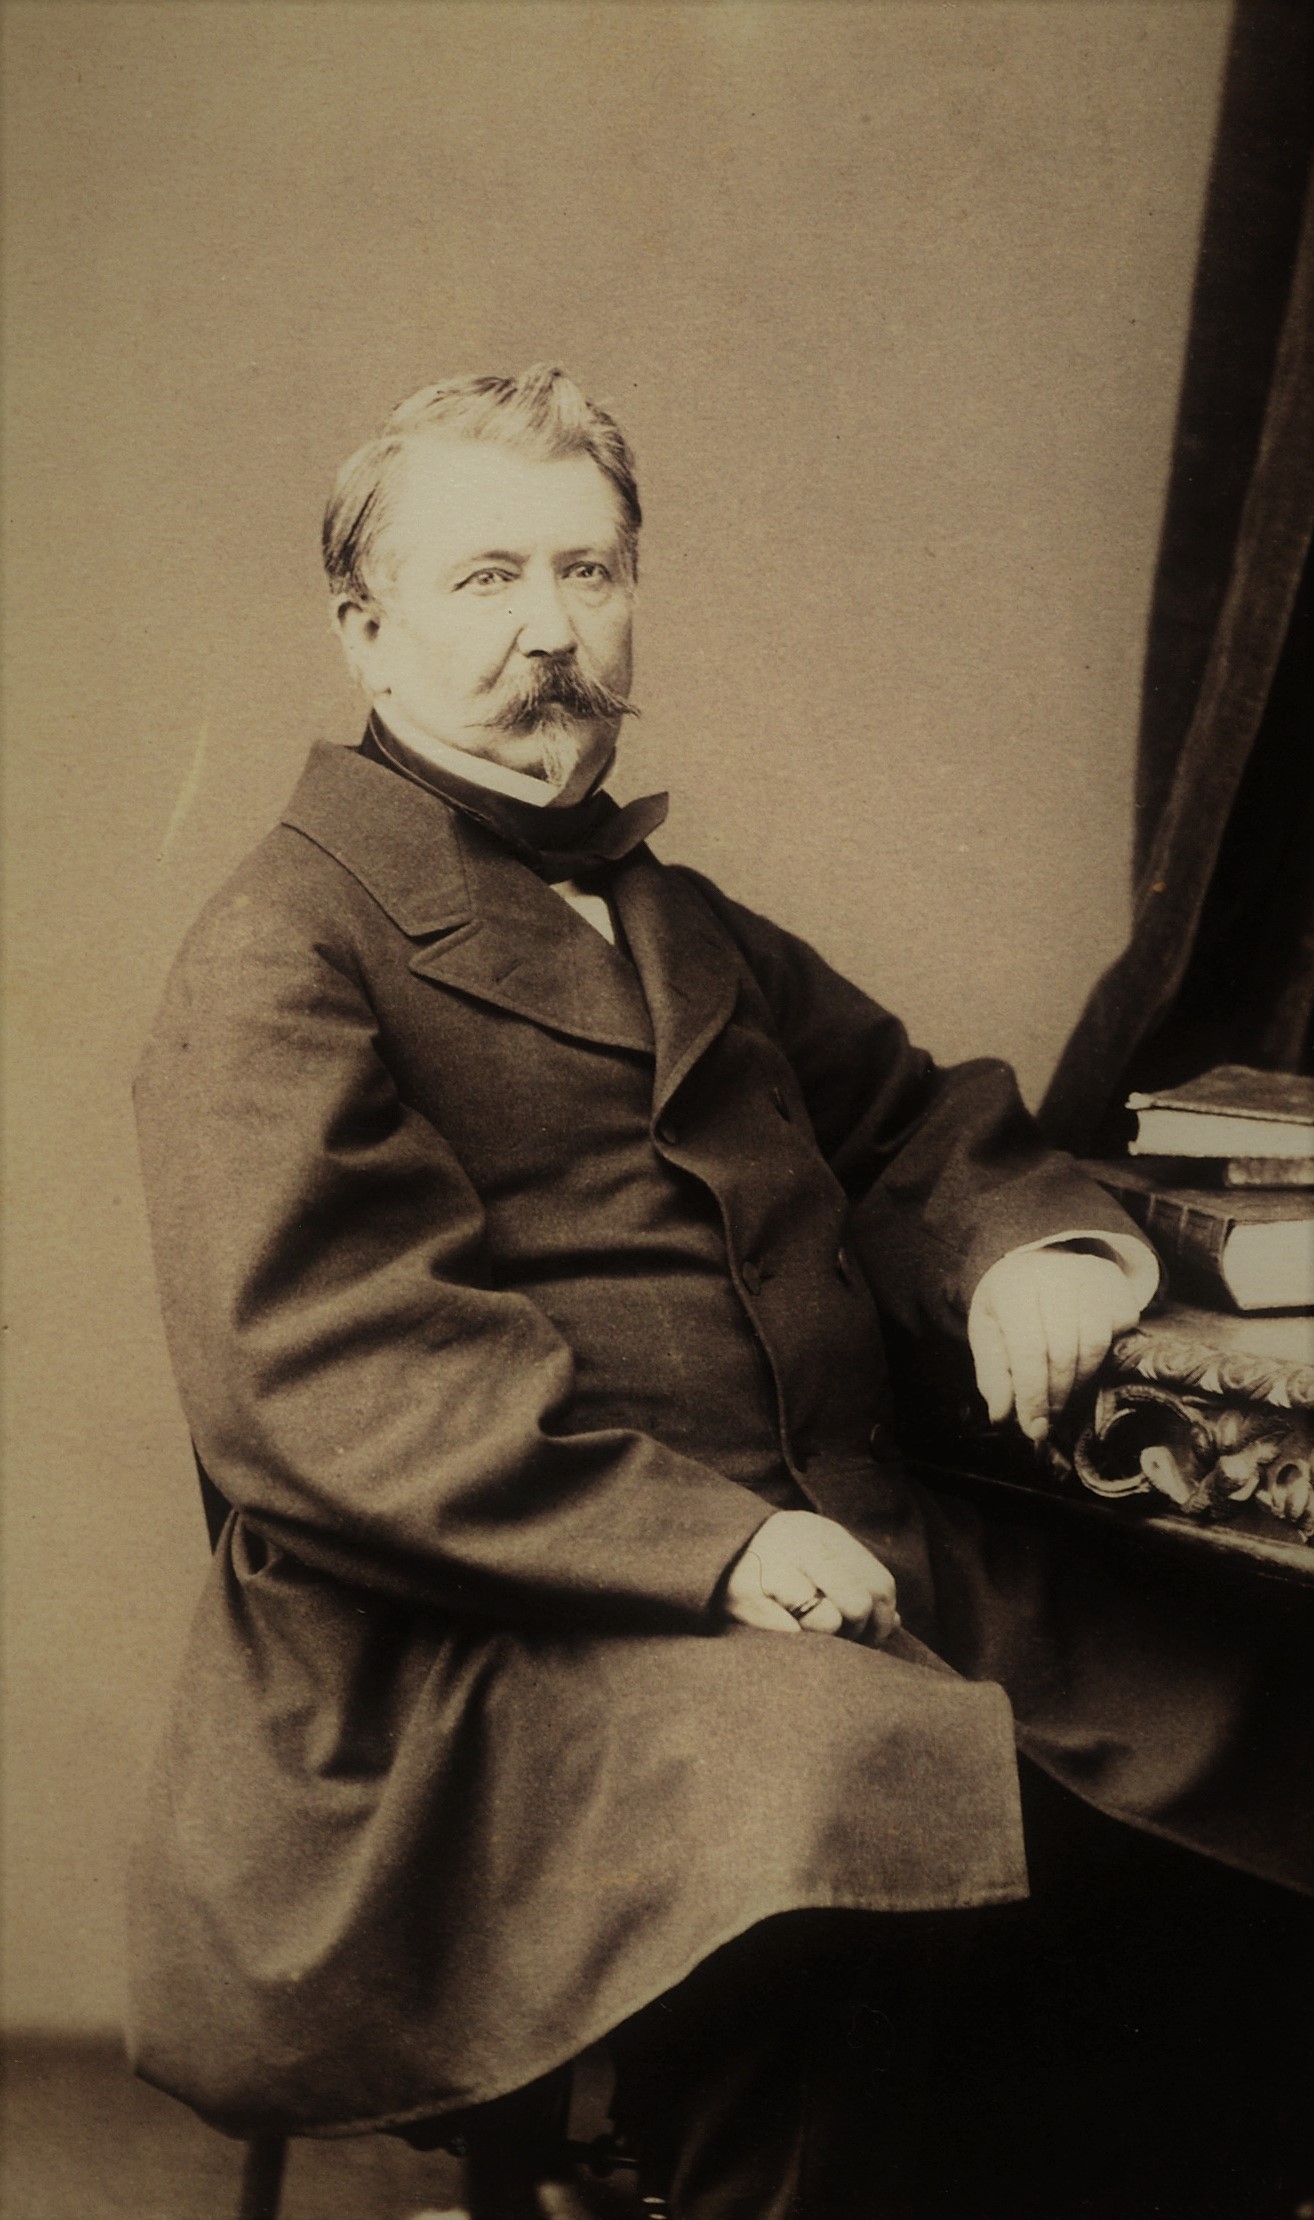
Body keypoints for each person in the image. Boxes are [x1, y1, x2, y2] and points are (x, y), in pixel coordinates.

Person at [131, 365, 1158, 2219]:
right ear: (361, 631)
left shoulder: (677, 915)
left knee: (1222, 1741)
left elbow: (905, 1125)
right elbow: (328, 1372)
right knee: (844, 1802)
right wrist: (715, 1549)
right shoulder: (285, 948)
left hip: (842, 1550)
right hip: (487, 1635)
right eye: (487, 579)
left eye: (587, 572)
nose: (550, 632)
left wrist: (1029, 1245)